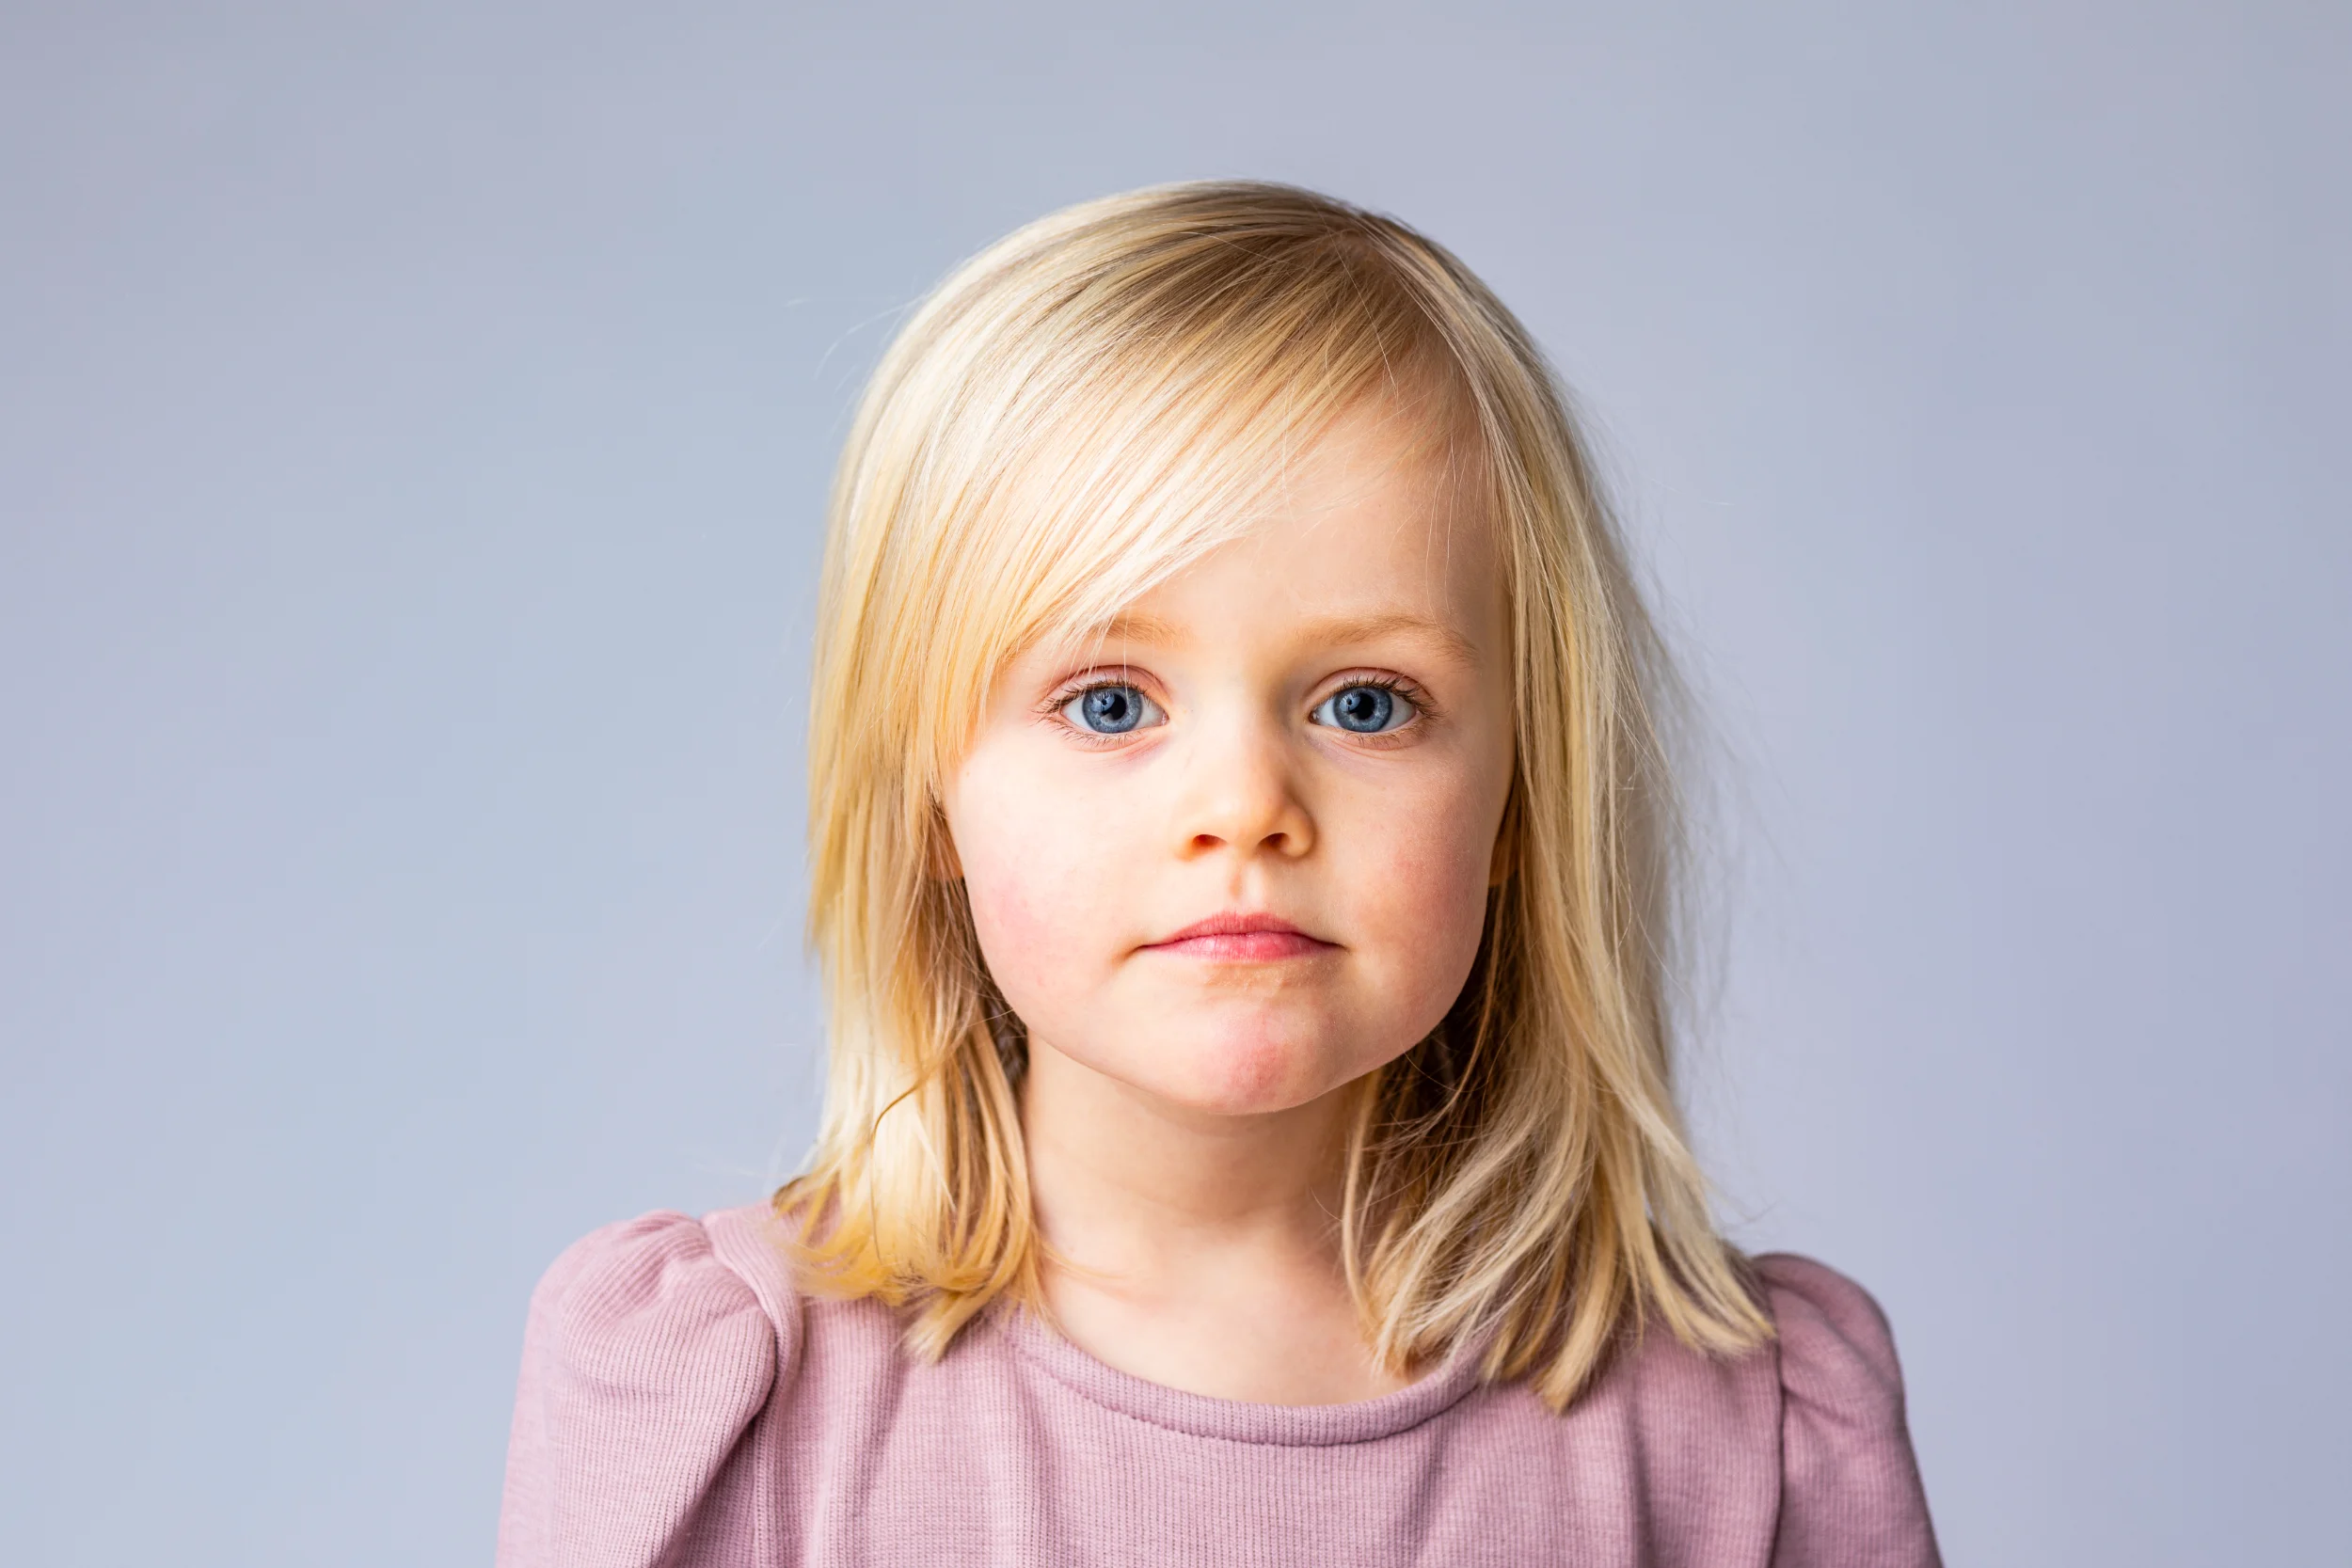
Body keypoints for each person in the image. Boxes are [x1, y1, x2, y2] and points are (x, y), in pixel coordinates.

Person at [494, 180, 1942, 1567]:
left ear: (1520, 802)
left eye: (1365, 702)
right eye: (1111, 701)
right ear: (931, 800)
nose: (1247, 805)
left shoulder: (1744, 1429)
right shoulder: (732, 1398)